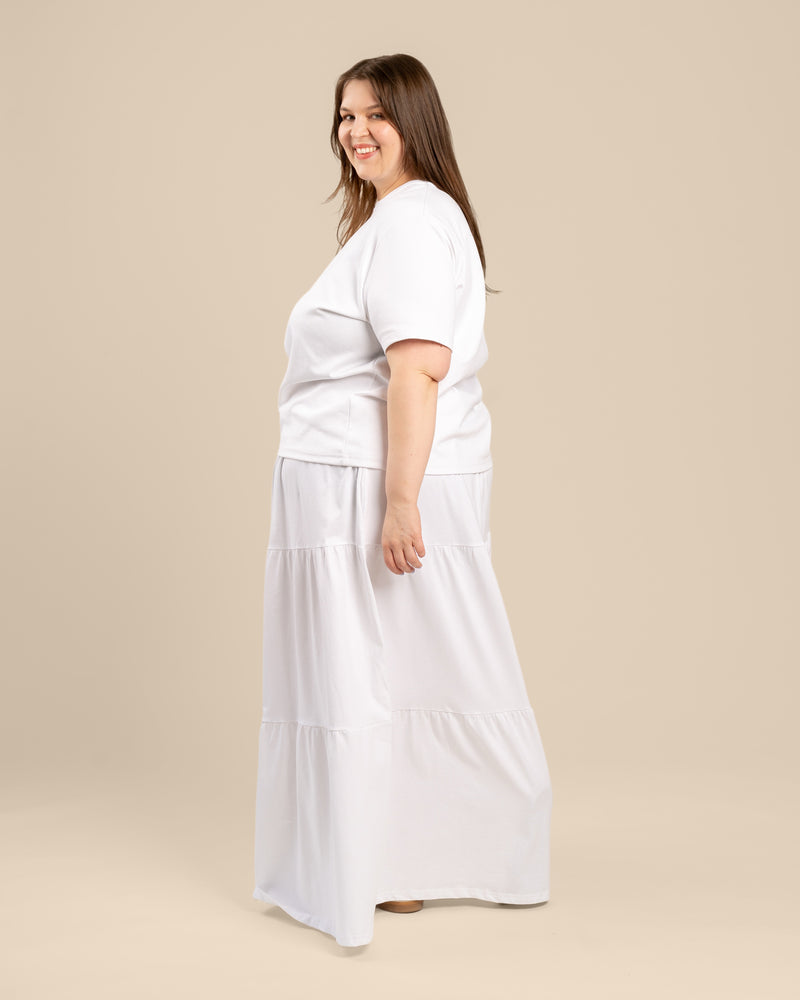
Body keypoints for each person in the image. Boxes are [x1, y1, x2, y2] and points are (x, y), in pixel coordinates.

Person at [252, 53, 552, 948]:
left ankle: (400, 861)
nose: (357, 131)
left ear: (415, 121)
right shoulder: (401, 218)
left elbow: (416, 367)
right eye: (346, 115)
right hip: (350, 478)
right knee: (396, 670)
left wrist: (399, 500)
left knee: (381, 669)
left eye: (377, 114)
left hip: (367, 481)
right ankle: (396, 861)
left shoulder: (414, 220)